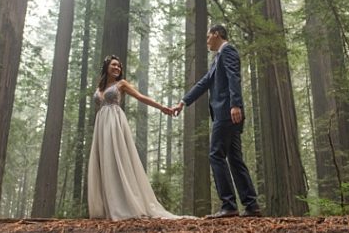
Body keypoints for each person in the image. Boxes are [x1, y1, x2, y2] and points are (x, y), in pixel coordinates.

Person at [173, 24, 262, 218]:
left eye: (208, 37)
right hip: (228, 112)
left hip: (228, 112)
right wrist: (183, 102)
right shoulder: (217, 58)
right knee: (235, 159)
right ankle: (251, 205)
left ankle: (229, 204)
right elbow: (204, 82)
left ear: (216, 34)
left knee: (216, 155)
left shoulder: (227, 51)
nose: (206, 41)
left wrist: (235, 104)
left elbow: (233, 77)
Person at [88, 55, 183, 220]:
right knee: (104, 161)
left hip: (115, 122)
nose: (117, 68)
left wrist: (162, 108)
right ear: (106, 67)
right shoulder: (99, 86)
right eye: (114, 65)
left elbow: (140, 97)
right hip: (101, 125)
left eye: (119, 66)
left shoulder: (121, 84)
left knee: (116, 158)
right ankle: (107, 205)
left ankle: (124, 204)